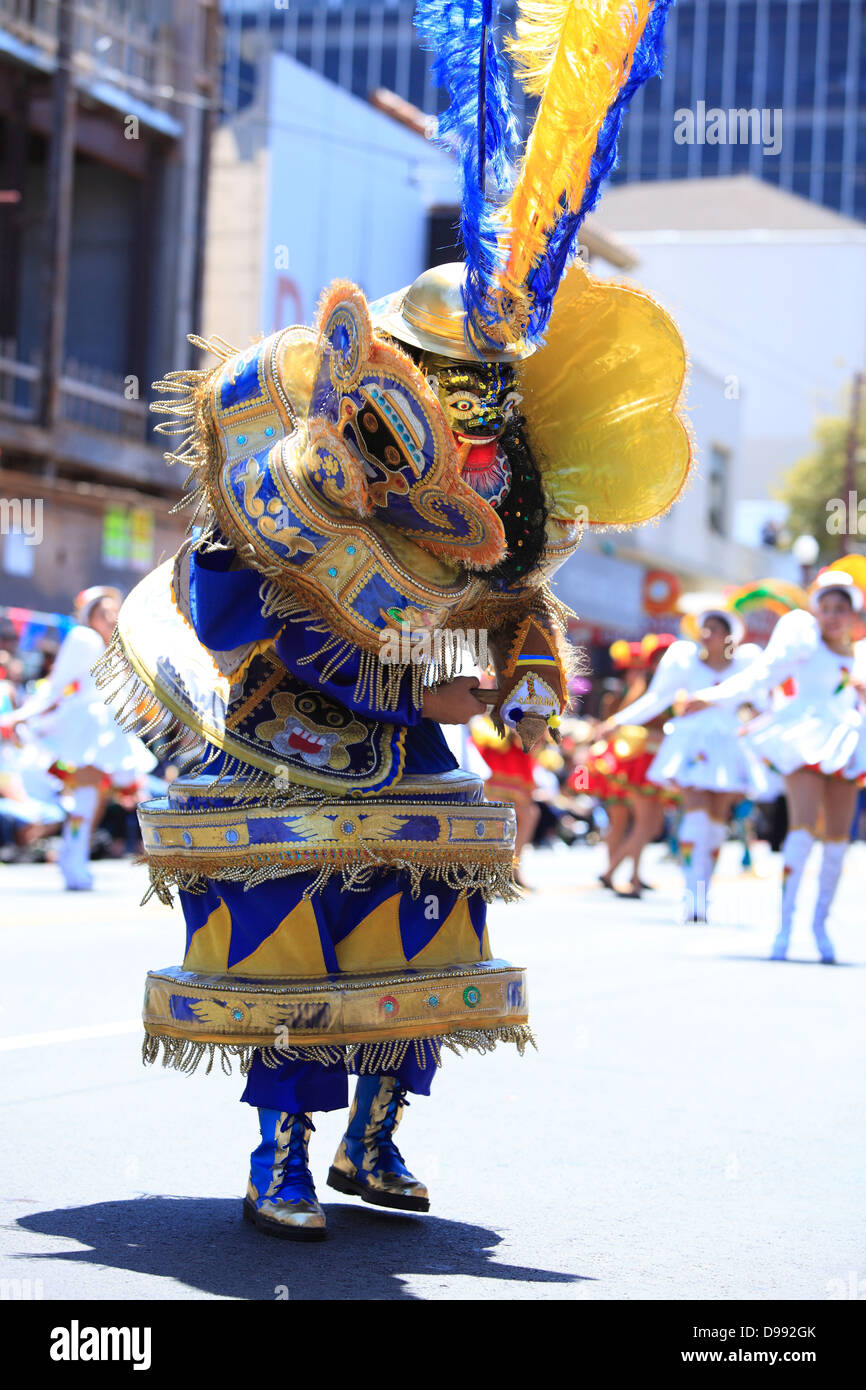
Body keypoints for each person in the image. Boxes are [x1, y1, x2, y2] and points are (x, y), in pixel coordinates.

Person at [97, 0, 687, 1239]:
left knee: (421, 949)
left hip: (418, 762)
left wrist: (510, 681)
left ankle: (376, 1132)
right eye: (449, 387)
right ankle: (279, 1152)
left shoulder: (500, 517)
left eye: (488, 400)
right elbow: (223, 602)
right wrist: (384, 663)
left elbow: (514, 628)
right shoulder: (292, 474)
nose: (469, 423)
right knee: (288, 944)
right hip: (290, 743)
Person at [684, 572, 866, 961]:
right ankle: (785, 927)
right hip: (803, 737)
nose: (833, 616)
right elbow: (761, 676)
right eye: (826, 607)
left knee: (837, 842)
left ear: (854, 615)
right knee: (801, 832)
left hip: (847, 745)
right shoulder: (804, 643)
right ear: (815, 610)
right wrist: (714, 697)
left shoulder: (862, 655)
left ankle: (820, 927)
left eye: (841, 609)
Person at [598, 609, 763, 920]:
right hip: (692, 748)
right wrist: (617, 721)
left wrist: (757, 733)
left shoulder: (745, 665)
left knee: (715, 827)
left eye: (714, 629)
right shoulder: (685, 661)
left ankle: (703, 893)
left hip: (726, 750)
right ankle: (692, 897)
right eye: (703, 628)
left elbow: (765, 704)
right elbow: (656, 698)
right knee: (697, 818)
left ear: (729, 636)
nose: (705, 634)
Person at [0, 587, 155, 890]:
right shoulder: (84, 639)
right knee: (87, 799)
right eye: (103, 613)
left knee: (100, 797)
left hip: (106, 733)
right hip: (87, 732)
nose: (111, 618)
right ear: (90, 616)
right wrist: (22, 715)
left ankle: (74, 857)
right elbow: (58, 685)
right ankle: (73, 861)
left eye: (114, 612)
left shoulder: (112, 645)